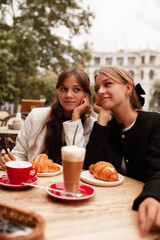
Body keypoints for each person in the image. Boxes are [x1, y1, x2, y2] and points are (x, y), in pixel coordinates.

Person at [84, 65, 160, 237]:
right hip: (111, 212)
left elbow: (158, 170)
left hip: (146, 211)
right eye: (97, 88)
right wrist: (103, 117)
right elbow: (90, 166)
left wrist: (153, 197)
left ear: (128, 88)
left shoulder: (155, 124)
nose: (100, 91)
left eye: (107, 84)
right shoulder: (107, 128)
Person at [0, 67, 96, 169]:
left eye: (76, 89)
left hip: (68, 182)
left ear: (86, 95)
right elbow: (20, 153)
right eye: (64, 89)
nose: (68, 95)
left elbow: (76, 163)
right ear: (58, 92)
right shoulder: (36, 115)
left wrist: (75, 117)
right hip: (35, 180)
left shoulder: (91, 125)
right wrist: (10, 161)